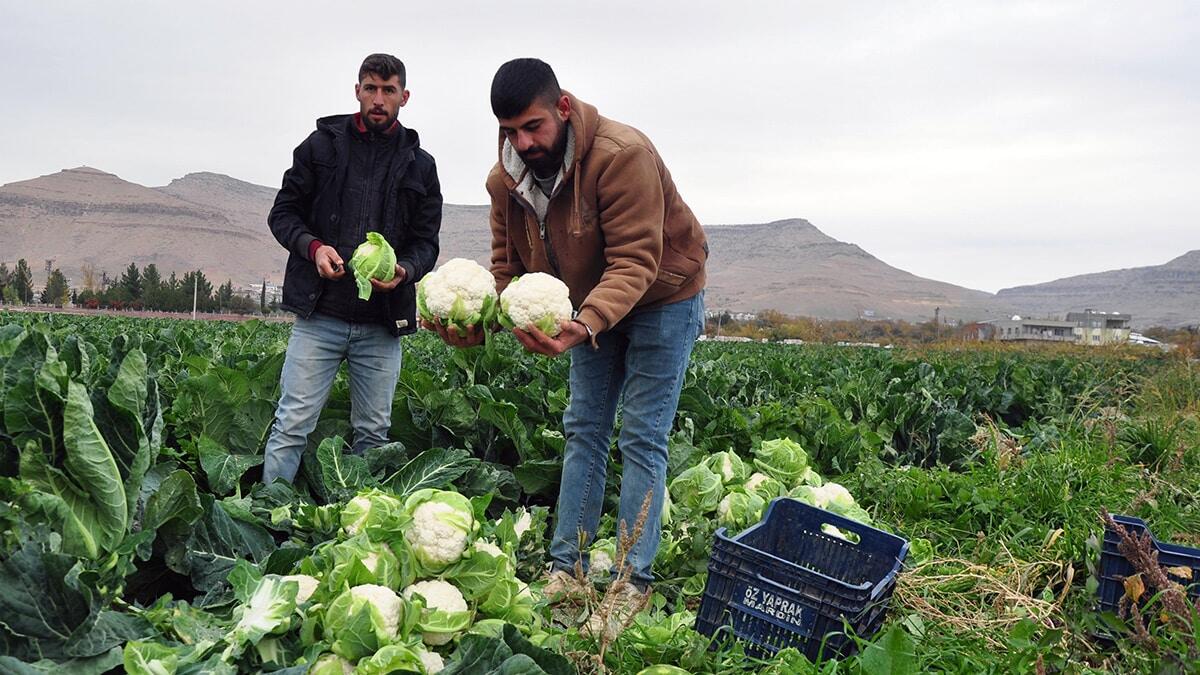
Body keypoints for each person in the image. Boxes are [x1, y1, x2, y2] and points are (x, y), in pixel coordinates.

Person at [430, 57, 707, 629]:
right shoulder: (503, 180)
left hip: (663, 295)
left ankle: (632, 582)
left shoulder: (621, 155)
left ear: (562, 108)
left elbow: (636, 260)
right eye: (511, 132)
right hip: (588, 303)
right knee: (584, 428)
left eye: (533, 127)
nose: (524, 142)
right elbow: (508, 268)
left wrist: (582, 327)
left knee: (642, 437)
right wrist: (481, 324)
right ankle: (568, 569)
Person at [263, 53, 442, 485]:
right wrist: (315, 248)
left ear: (405, 96)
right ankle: (268, 521)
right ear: (357, 90)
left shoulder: (422, 165)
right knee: (292, 425)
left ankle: (361, 529)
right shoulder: (320, 147)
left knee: (373, 436)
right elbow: (283, 214)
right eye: (370, 88)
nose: (378, 99)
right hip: (320, 314)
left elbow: (426, 244)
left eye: (389, 90)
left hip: (381, 324)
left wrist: (403, 270)